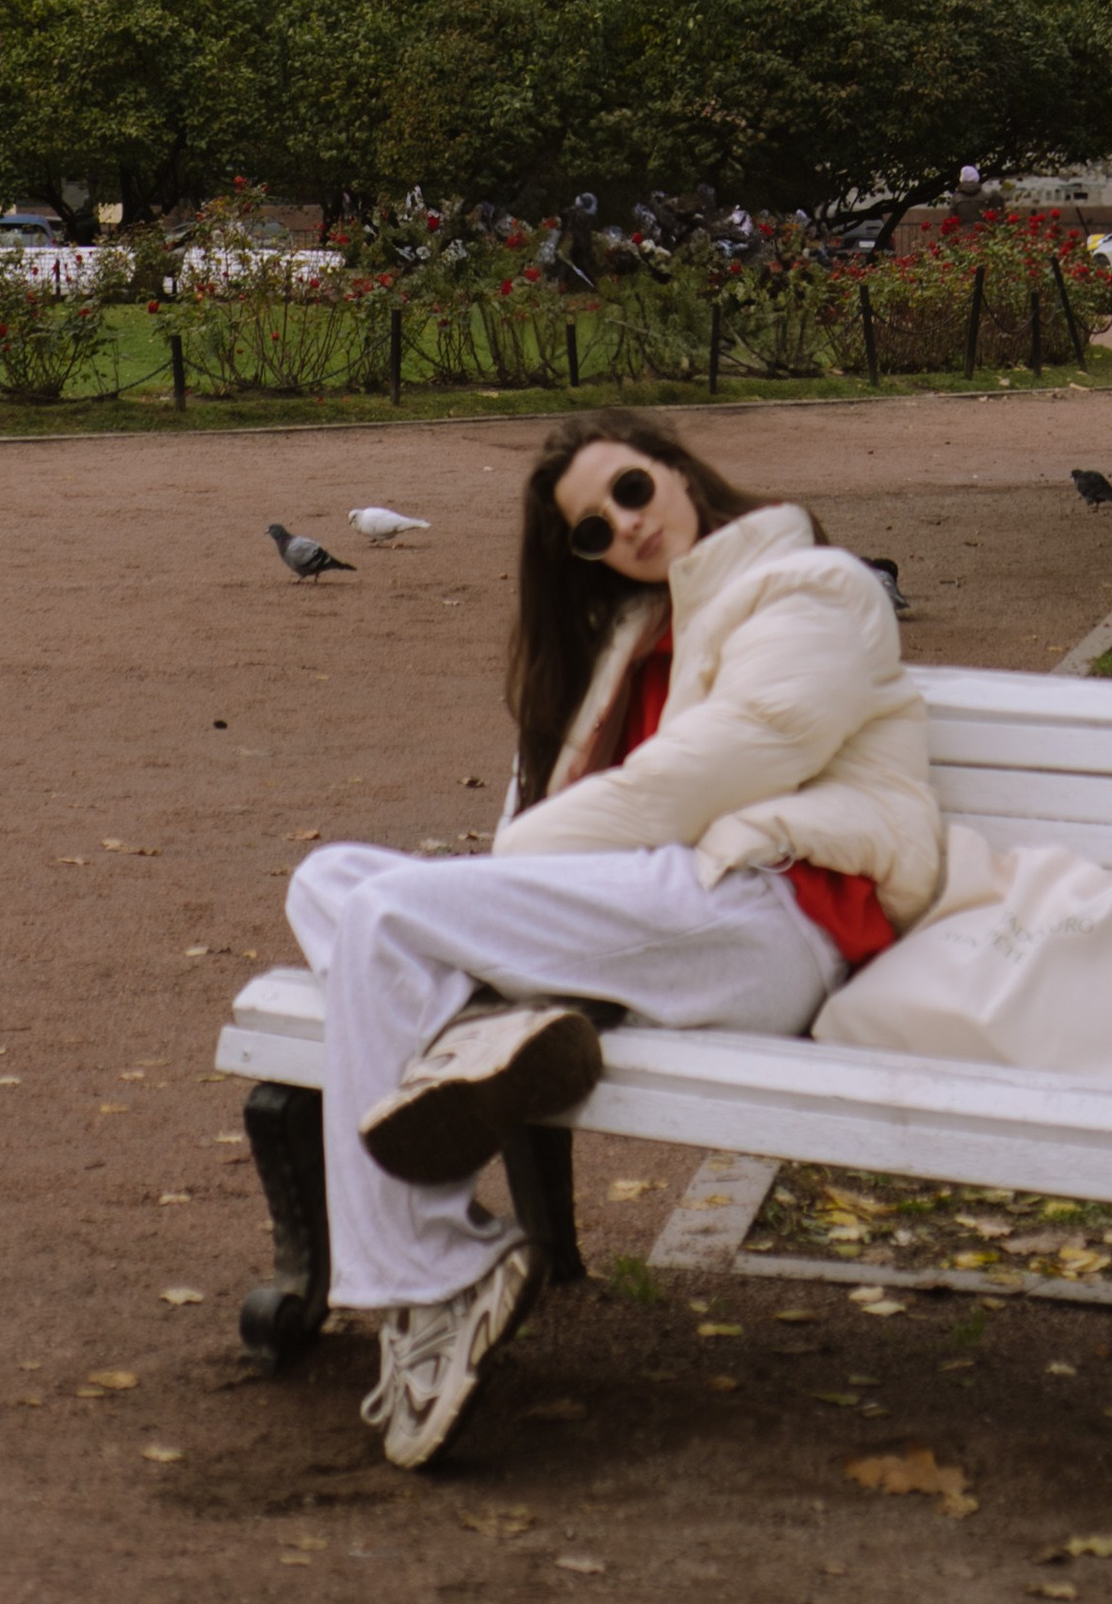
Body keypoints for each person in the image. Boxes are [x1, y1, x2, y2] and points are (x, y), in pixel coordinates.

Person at [286, 414, 942, 1471]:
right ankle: (505, 1035)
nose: (624, 526)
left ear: (675, 469)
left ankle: (433, 1276)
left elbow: (732, 759)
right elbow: (574, 806)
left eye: (630, 490)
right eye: (591, 529)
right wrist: (515, 874)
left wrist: (507, 871)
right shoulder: (630, 633)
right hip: (656, 916)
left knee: (386, 915)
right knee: (331, 880)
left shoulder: (811, 586)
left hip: (771, 914)